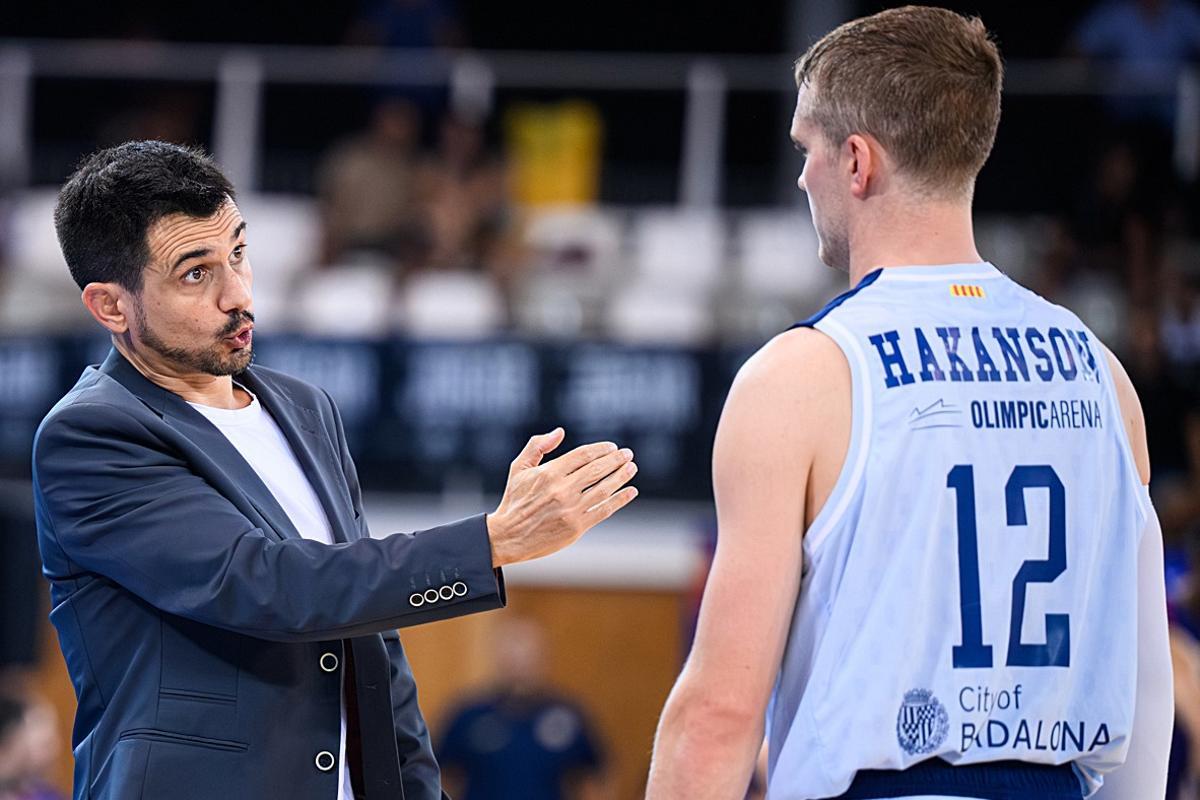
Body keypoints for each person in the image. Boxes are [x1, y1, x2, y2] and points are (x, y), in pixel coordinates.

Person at [647, 7, 1172, 800]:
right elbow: (1144, 685)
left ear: (857, 162)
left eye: (807, 150)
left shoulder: (802, 377)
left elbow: (720, 715)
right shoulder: (1102, 372)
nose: (802, 177)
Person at [33, 140, 639, 800]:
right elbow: (269, 586)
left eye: (238, 253)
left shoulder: (305, 408)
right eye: (195, 274)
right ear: (111, 306)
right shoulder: (91, 436)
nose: (238, 294)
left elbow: (374, 645)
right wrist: (491, 541)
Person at [437, 617, 608, 800]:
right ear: (499, 658)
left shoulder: (567, 716)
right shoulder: (469, 716)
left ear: (543, 657)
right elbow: (437, 772)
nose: (520, 664)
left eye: (527, 655)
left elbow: (598, 772)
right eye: (512, 655)